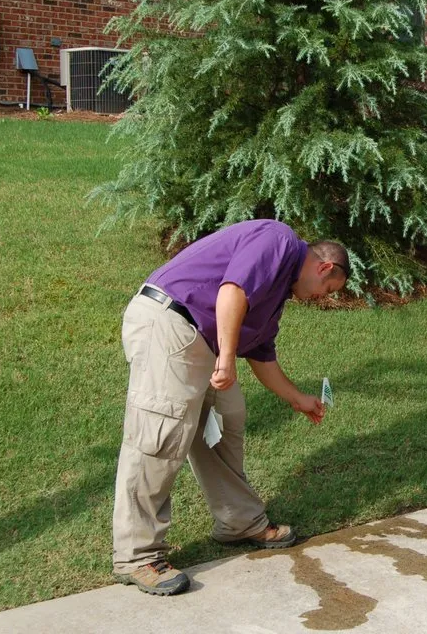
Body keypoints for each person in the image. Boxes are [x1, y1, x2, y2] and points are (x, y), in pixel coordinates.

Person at [111, 219, 350, 595]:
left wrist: (298, 399)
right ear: (324, 267)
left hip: (200, 341)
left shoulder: (276, 291)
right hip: (169, 323)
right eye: (328, 289)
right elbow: (231, 291)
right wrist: (225, 359)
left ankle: (239, 521)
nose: (322, 298)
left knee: (227, 417)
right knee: (159, 437)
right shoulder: (279, 240)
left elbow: (261, 354)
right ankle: (137, 555)